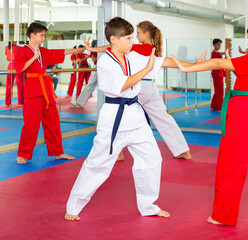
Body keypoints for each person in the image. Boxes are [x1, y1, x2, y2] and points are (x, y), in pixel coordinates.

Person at [64, 17, 207, 221]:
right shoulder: (106, 62)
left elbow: (162, 61)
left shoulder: (131, 55)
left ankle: (148, 205)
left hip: (136, 117)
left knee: (152, 159)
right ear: (114, 39)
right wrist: (145, 71)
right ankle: (74, 206)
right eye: (128, 38)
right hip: (115, 118)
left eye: (133, 37)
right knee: (98, 165)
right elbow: (121, 86)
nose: (132, 42)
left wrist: (192, 65)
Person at [171, 20, 248, 228]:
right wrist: (234, 66)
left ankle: (223, 216)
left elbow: (217, 64)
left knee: (231, 164)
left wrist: (187, 68)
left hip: (243, 113)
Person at [83, 21, 193, 160]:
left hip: (136, 86)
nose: (134, 38)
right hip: (150, 87)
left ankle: (117, 152)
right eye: (130, 37)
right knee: (163, 118)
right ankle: (182, 150)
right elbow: (166, 61)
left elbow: (110, 47)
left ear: (146, 34)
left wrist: (92, 49)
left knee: (118, 114)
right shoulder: (153, 48)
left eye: (138, 34)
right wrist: (195, 65)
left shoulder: (136, 49)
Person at [14, 22, 83, 164]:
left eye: (44, 35)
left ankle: (58, 152)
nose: (43, 38)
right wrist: (33, 58)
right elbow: (19, 69)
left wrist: (78, 50)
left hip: (46, 90)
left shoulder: (43, 52)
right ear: (32, 35)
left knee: (53, 122)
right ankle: (22, 154)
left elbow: (60, 53)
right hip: (33, 90)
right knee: (31, 124)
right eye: (41, 35)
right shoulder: (23, 51)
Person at [70, 40, 98, 109]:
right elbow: (92, 60)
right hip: (81, 68)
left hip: (87, 68)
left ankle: (78, 102)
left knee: (89, 83)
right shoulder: (78, 54)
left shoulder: (87, 53)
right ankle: (75, 101)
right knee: (81, 83)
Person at [5, 41, 25, 107]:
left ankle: (7, 103)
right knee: (20, 84)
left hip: (10, 65)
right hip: (17, 65)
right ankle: (21, 102)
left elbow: (7, 57)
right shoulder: (19, 47)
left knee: (8, 85)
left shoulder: (6, 47)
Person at [210, 39, 226, 111]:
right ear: (214, 45)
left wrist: (226, 55)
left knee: (218, 91)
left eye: (220, 45)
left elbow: (222, 61)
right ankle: (220, 107)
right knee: (220, 91)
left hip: (219, 74)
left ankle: (213, 106)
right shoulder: (214, 53)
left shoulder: (217, 53)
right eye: (218, 45)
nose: (219, 46)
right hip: (217, 74)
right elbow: (219, 55)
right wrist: (225, 53)